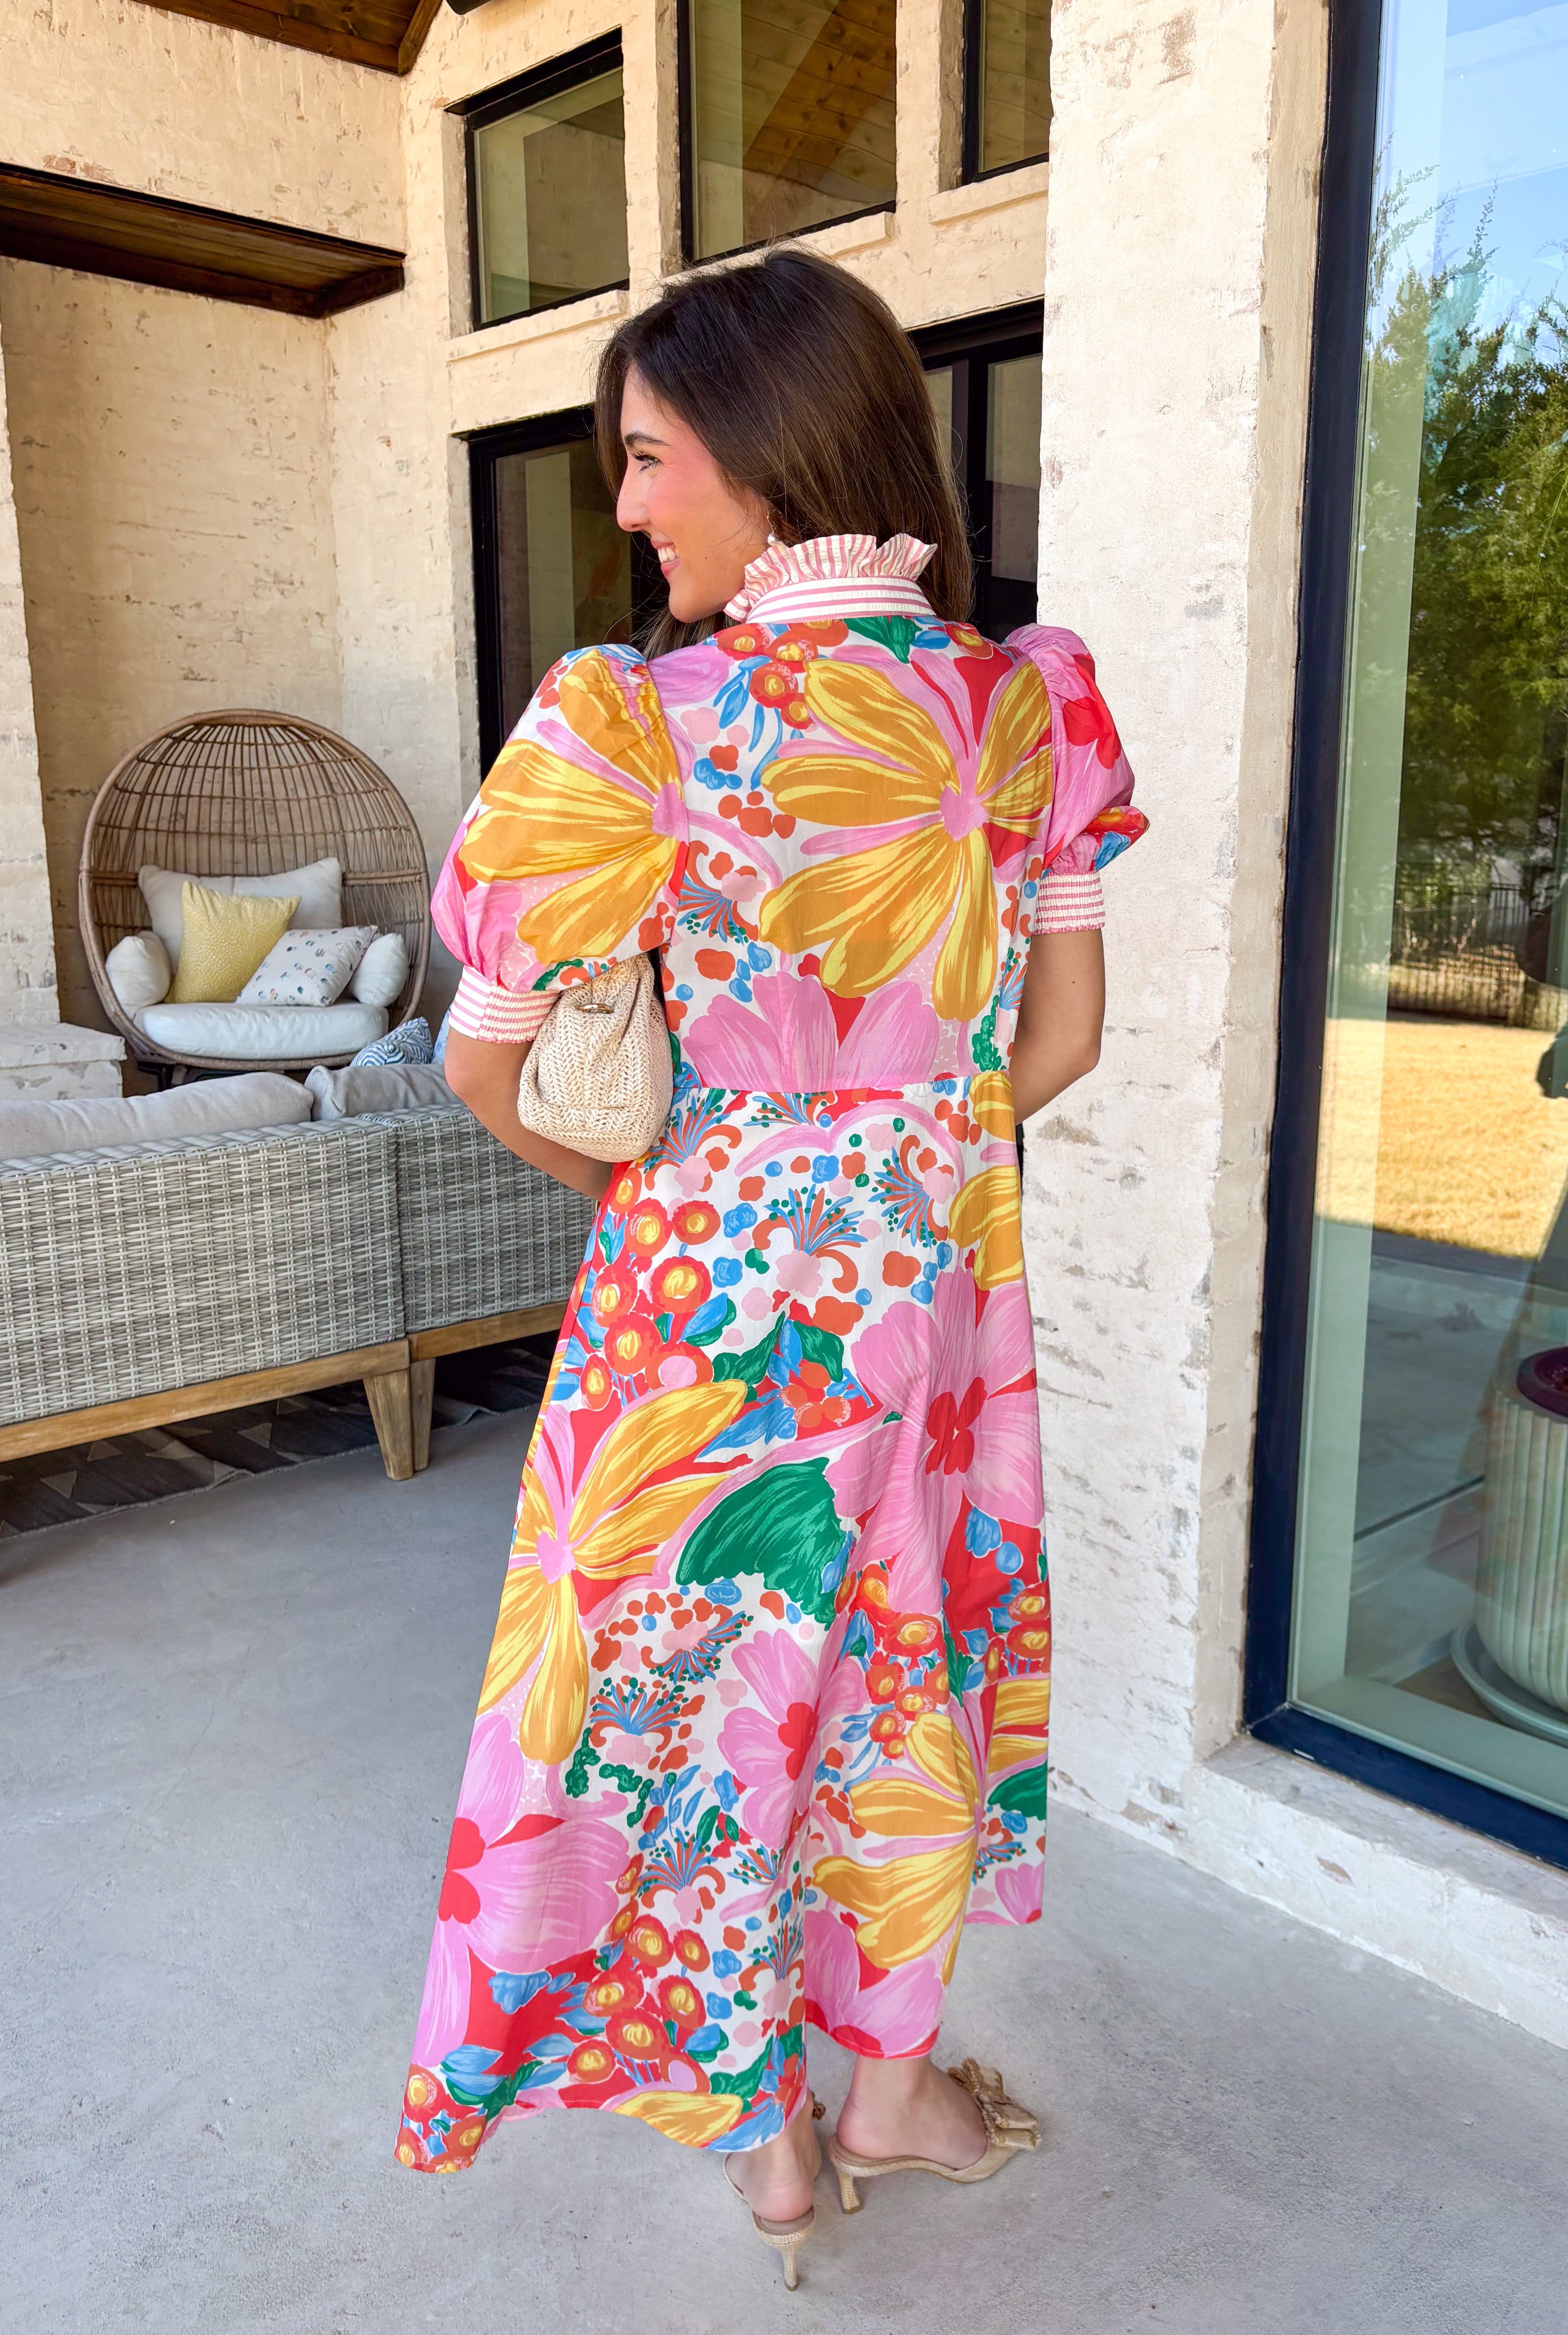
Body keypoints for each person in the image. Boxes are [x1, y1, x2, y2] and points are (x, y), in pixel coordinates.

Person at [395, 244, 1145, 2287]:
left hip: (697, 1314)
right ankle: (893, 2087)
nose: (628, 509)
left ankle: (772, 2141)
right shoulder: (1024, 695)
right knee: (903, 1667)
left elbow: (484, 1060)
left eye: (646, 459)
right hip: (939, 1311)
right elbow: (1060, 1045)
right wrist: (901, 1176)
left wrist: (690, 1209)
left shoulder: (630, 717)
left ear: (767, 446)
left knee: (700, 1696)